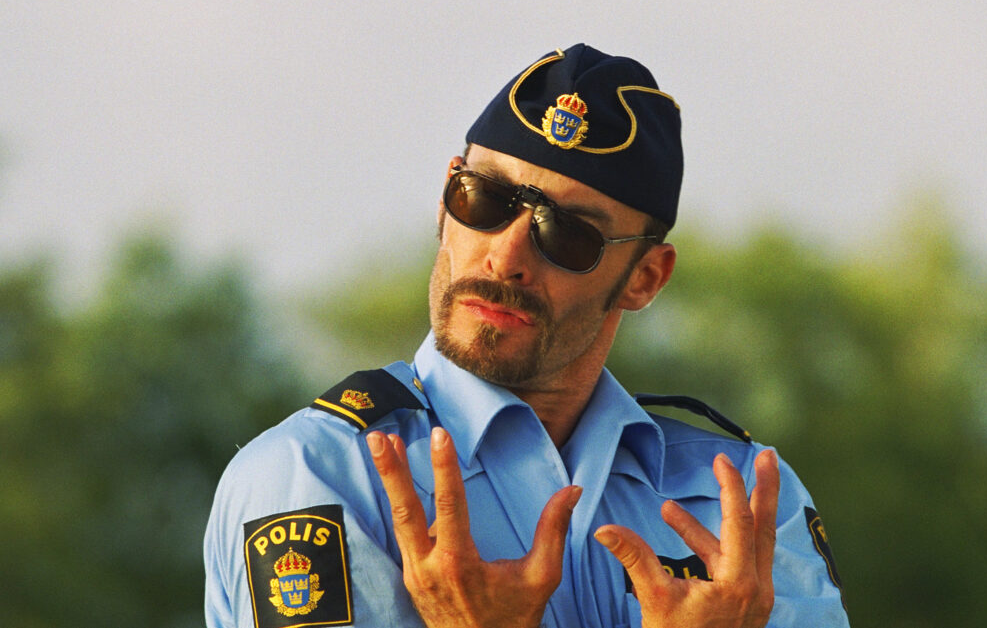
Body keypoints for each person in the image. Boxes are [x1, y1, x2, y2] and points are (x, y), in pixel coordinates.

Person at [203, 44, 850, 628]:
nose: (505, 256)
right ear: (444, 203)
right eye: (483, 199)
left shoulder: (743, 501)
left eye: (566, 234)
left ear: (645, 277)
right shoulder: (319, 474)